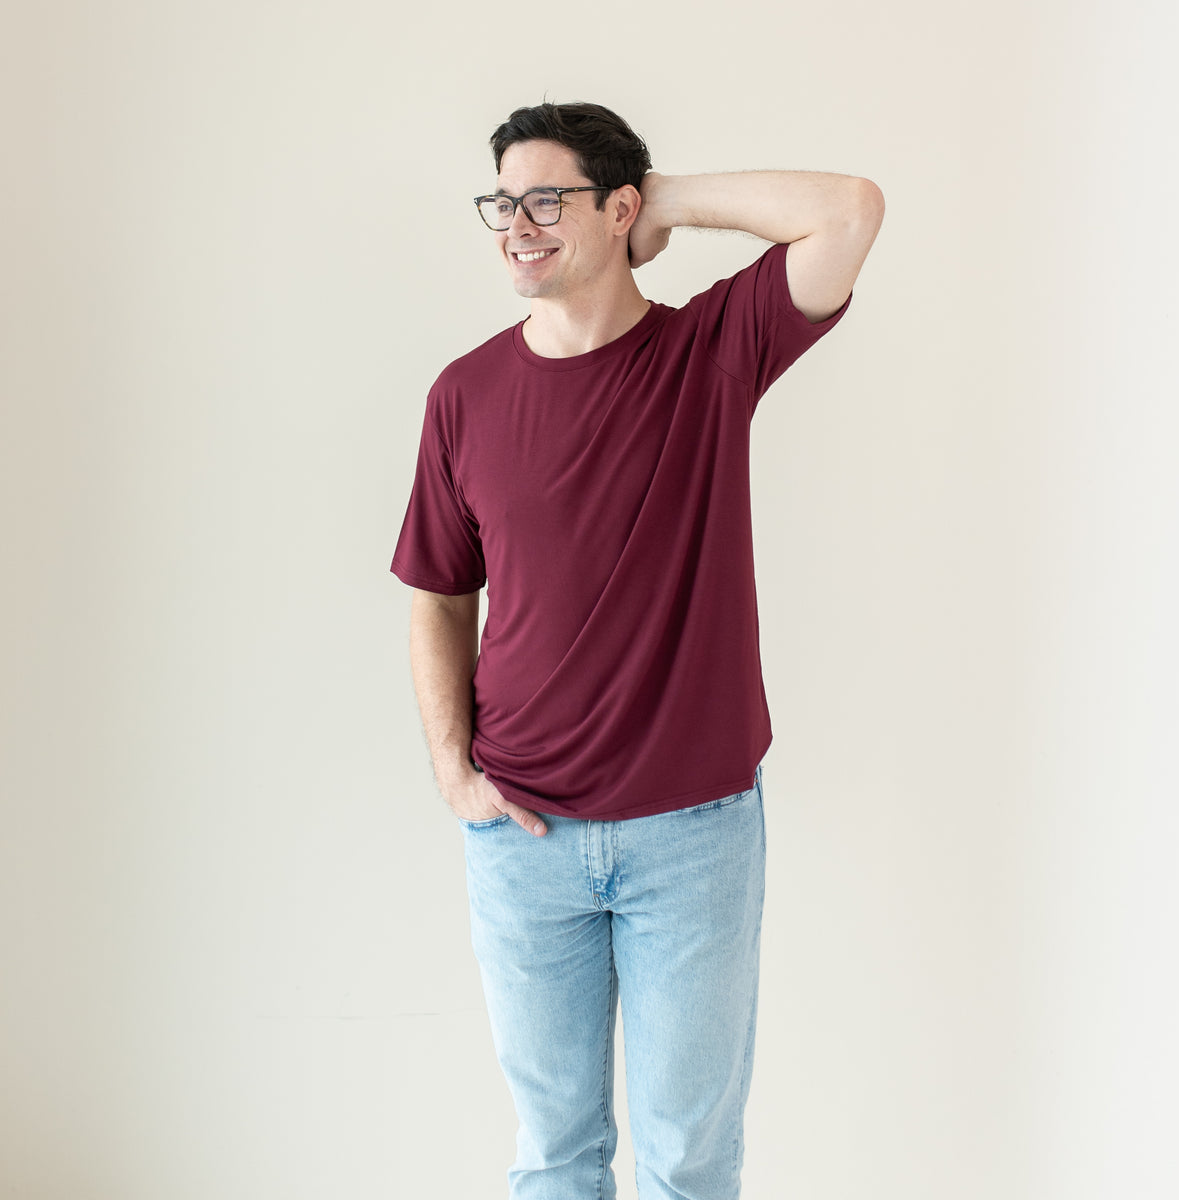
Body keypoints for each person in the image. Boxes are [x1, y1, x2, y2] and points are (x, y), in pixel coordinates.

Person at [391, 101, 883, 1200]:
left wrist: (669, 202)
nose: (516, 225)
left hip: (692, 835)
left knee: (686, 1165)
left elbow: (850, 211)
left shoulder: (709, 352)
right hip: (521, 837)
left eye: (546, 200)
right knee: (555, 1160)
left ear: (619, 209)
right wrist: (450, 768)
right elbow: (435, 590)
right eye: (502, 203)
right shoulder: (464, 395)